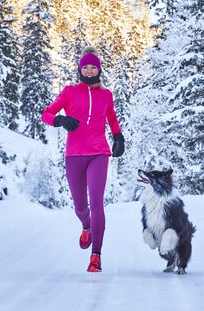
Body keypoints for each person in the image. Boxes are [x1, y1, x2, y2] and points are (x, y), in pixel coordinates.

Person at [41, 47, 125, 273]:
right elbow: (46, 114)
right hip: (74, 156)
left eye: (93, 67)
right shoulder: (69, 92)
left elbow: (112, 118)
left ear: (99, 69)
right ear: (80, 69)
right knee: (80, 206)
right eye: (85, 67)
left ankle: (96, 255)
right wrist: (60, 121)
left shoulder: (106, 94)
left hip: (99, 153)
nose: (89, 71)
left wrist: (118, 136)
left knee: (96, 203)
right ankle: (85, 226)